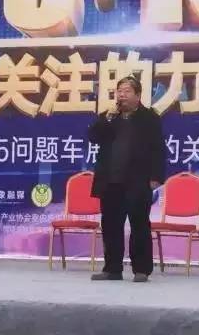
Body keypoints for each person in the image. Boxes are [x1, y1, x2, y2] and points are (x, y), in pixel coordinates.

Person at [87, 75, 166, 282]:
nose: (121, 95)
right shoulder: (109, 116)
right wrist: (107, 119)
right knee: (111, 226)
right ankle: (112, 269)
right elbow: (93, 137)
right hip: (110, 181)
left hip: (138, 181)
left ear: (138, 95)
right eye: (119, 91)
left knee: (139, 225)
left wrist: (156, 176)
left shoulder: (149, 118)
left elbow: (158, 149)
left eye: (127, 91)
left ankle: (141, 269)